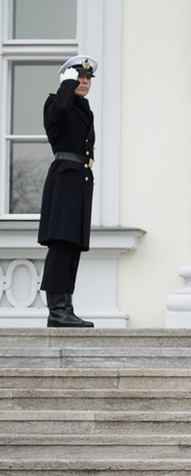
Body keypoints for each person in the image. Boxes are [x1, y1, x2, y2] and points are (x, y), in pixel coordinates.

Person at [38, 55, 99, 328]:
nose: (83, 82)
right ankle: (56, 309)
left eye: (87, 79)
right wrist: (65, 86)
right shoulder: (56, 103)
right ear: (67, 80)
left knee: (72, 245)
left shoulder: (84, 109)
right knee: (61, 243)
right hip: (64, 177)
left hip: (80, 180)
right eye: (78, 77)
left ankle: (67, 306)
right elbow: (60, 112)